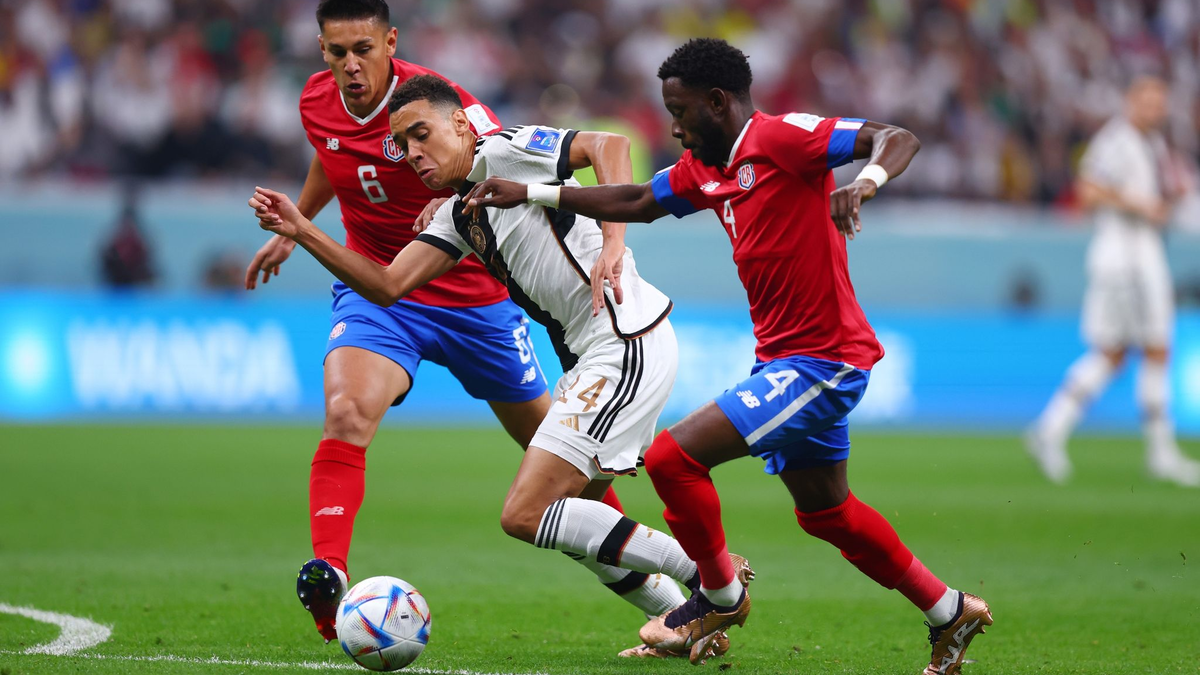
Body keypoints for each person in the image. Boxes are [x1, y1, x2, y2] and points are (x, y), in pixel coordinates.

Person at [465, 38, 992, 674]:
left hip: (824, 362)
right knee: (828, 514)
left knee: (673, 458)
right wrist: (535, 194)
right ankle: (950, 611)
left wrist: (865, 182)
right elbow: (637, 200)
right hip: (782, 361)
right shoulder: (706, 168)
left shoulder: (784, 138)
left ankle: (717, 597)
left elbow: (896, 137)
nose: (674, 127)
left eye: (680, 111)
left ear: (718, 102)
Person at [249, 74, 753, 661]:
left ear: (461, 125)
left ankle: (714, 579)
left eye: (422, 135)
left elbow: (608, 145)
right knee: (577, 519)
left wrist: (614, 242)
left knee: (525, 513)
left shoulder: (506, 150)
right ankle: (690, 615)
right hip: (595, 358)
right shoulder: (461, 214)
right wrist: (303, 229)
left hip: (624, 342)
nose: (413, 154)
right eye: (403, 145)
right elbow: (387, 285)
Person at [239, 0, 633, 643]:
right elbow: (331, 155)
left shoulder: (441, 104)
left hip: (476, 301)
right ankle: (329, 573)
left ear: (390, 42)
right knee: (347, 412)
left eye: (363, 49)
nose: (350, 65)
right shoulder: (316, 100)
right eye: (337, 52)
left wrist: (458, 200)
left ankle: (663, 596)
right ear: (321, 51)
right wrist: (296, 228)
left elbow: (497, 160)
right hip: (378, 292)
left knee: (570, 472)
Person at [1026, 76, 1200, 488]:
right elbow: (1087, 191)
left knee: (1115, 353)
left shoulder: (1151, 143)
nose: (1156, 110)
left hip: (1137, 255)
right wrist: (1141, 204)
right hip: (1128, 260)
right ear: (1130, 102)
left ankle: (1051, 428)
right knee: (1154, 348)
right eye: (1148, 101)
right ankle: (1160, 453)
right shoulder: (1116, 140)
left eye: (1160, 103)